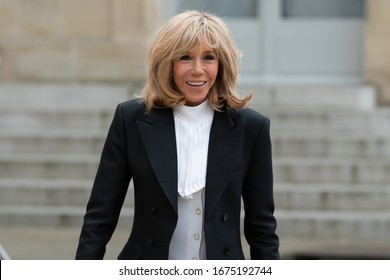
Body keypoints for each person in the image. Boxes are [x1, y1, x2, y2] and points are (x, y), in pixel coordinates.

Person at [76, 10, 279, 260]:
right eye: (185, 58)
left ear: (222, 63)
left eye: (208, 58)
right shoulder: (130, 119)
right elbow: (100, 216)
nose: (197, 70)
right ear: (167, 63)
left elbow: (262, 228)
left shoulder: (252, 127)